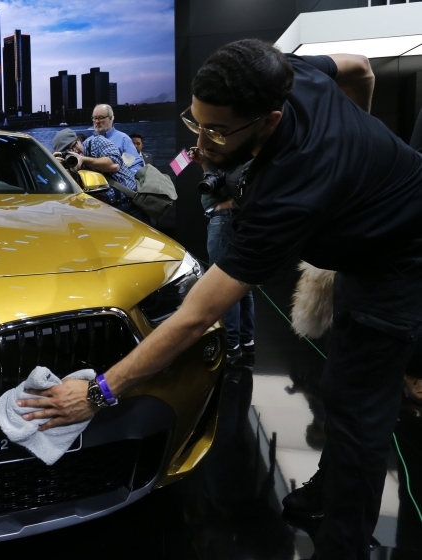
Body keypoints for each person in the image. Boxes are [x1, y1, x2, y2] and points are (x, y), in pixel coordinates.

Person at [21, 39, 422, 560]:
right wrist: (364, 142)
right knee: (339, 384)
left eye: (217, 130)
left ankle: (343, 544)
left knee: (360, 409)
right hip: (370, 234)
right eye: (195, 122)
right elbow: (361, 68)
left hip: (400, 261)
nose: (204, 142)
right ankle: (328, 491)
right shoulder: (287, 71)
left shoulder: (287, 191)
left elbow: (198, 315)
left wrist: (98, 393)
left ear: (269, 119)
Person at [198, 156, 255, 363]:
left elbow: (242, 190)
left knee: (224, 285)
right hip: (231, 222)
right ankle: (246, 342)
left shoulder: (233, 163)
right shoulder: (234, 163)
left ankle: (232, 346)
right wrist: (205, 165)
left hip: (223, 222)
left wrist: (227, 206)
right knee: (241, 283)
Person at [52, 128, 149, 223]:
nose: (74, 152)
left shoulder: (97, 142)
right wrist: (57, 169)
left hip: (130, 203)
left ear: (78, 140)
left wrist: (83, 159)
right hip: (104, 212)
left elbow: (114, 165)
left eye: (74, 146)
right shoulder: (69, 164)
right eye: (67, 151)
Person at [91, 104, 144, 172]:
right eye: (94, 118)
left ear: (111, 118)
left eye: (101, 117)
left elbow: (136, 166)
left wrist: (124, 180)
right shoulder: (88, 141)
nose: (97, 121)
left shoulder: (123, 139)